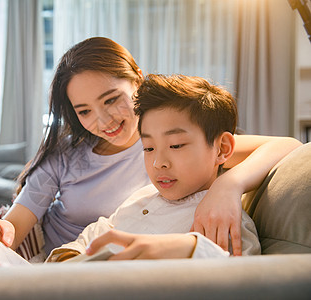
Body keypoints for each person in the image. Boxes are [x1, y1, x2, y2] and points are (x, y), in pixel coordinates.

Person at [0, 37, 301, 274]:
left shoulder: (165, 139)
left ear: (137, 82)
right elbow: (17, 227)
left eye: (112, 99)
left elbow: (289, 146)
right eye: (84, 110)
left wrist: (228, 185)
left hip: (82, 260)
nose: (103, 120)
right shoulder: (70, 156)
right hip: (39, 243)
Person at [47, 74, 261, 262]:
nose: (158, 163)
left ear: (222, 148)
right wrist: (70, 258)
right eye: (148, 148)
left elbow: (242, 278)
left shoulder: (223, 217)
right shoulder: (143, 196)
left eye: (176, 145)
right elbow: (98, 231)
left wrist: (187, 248)